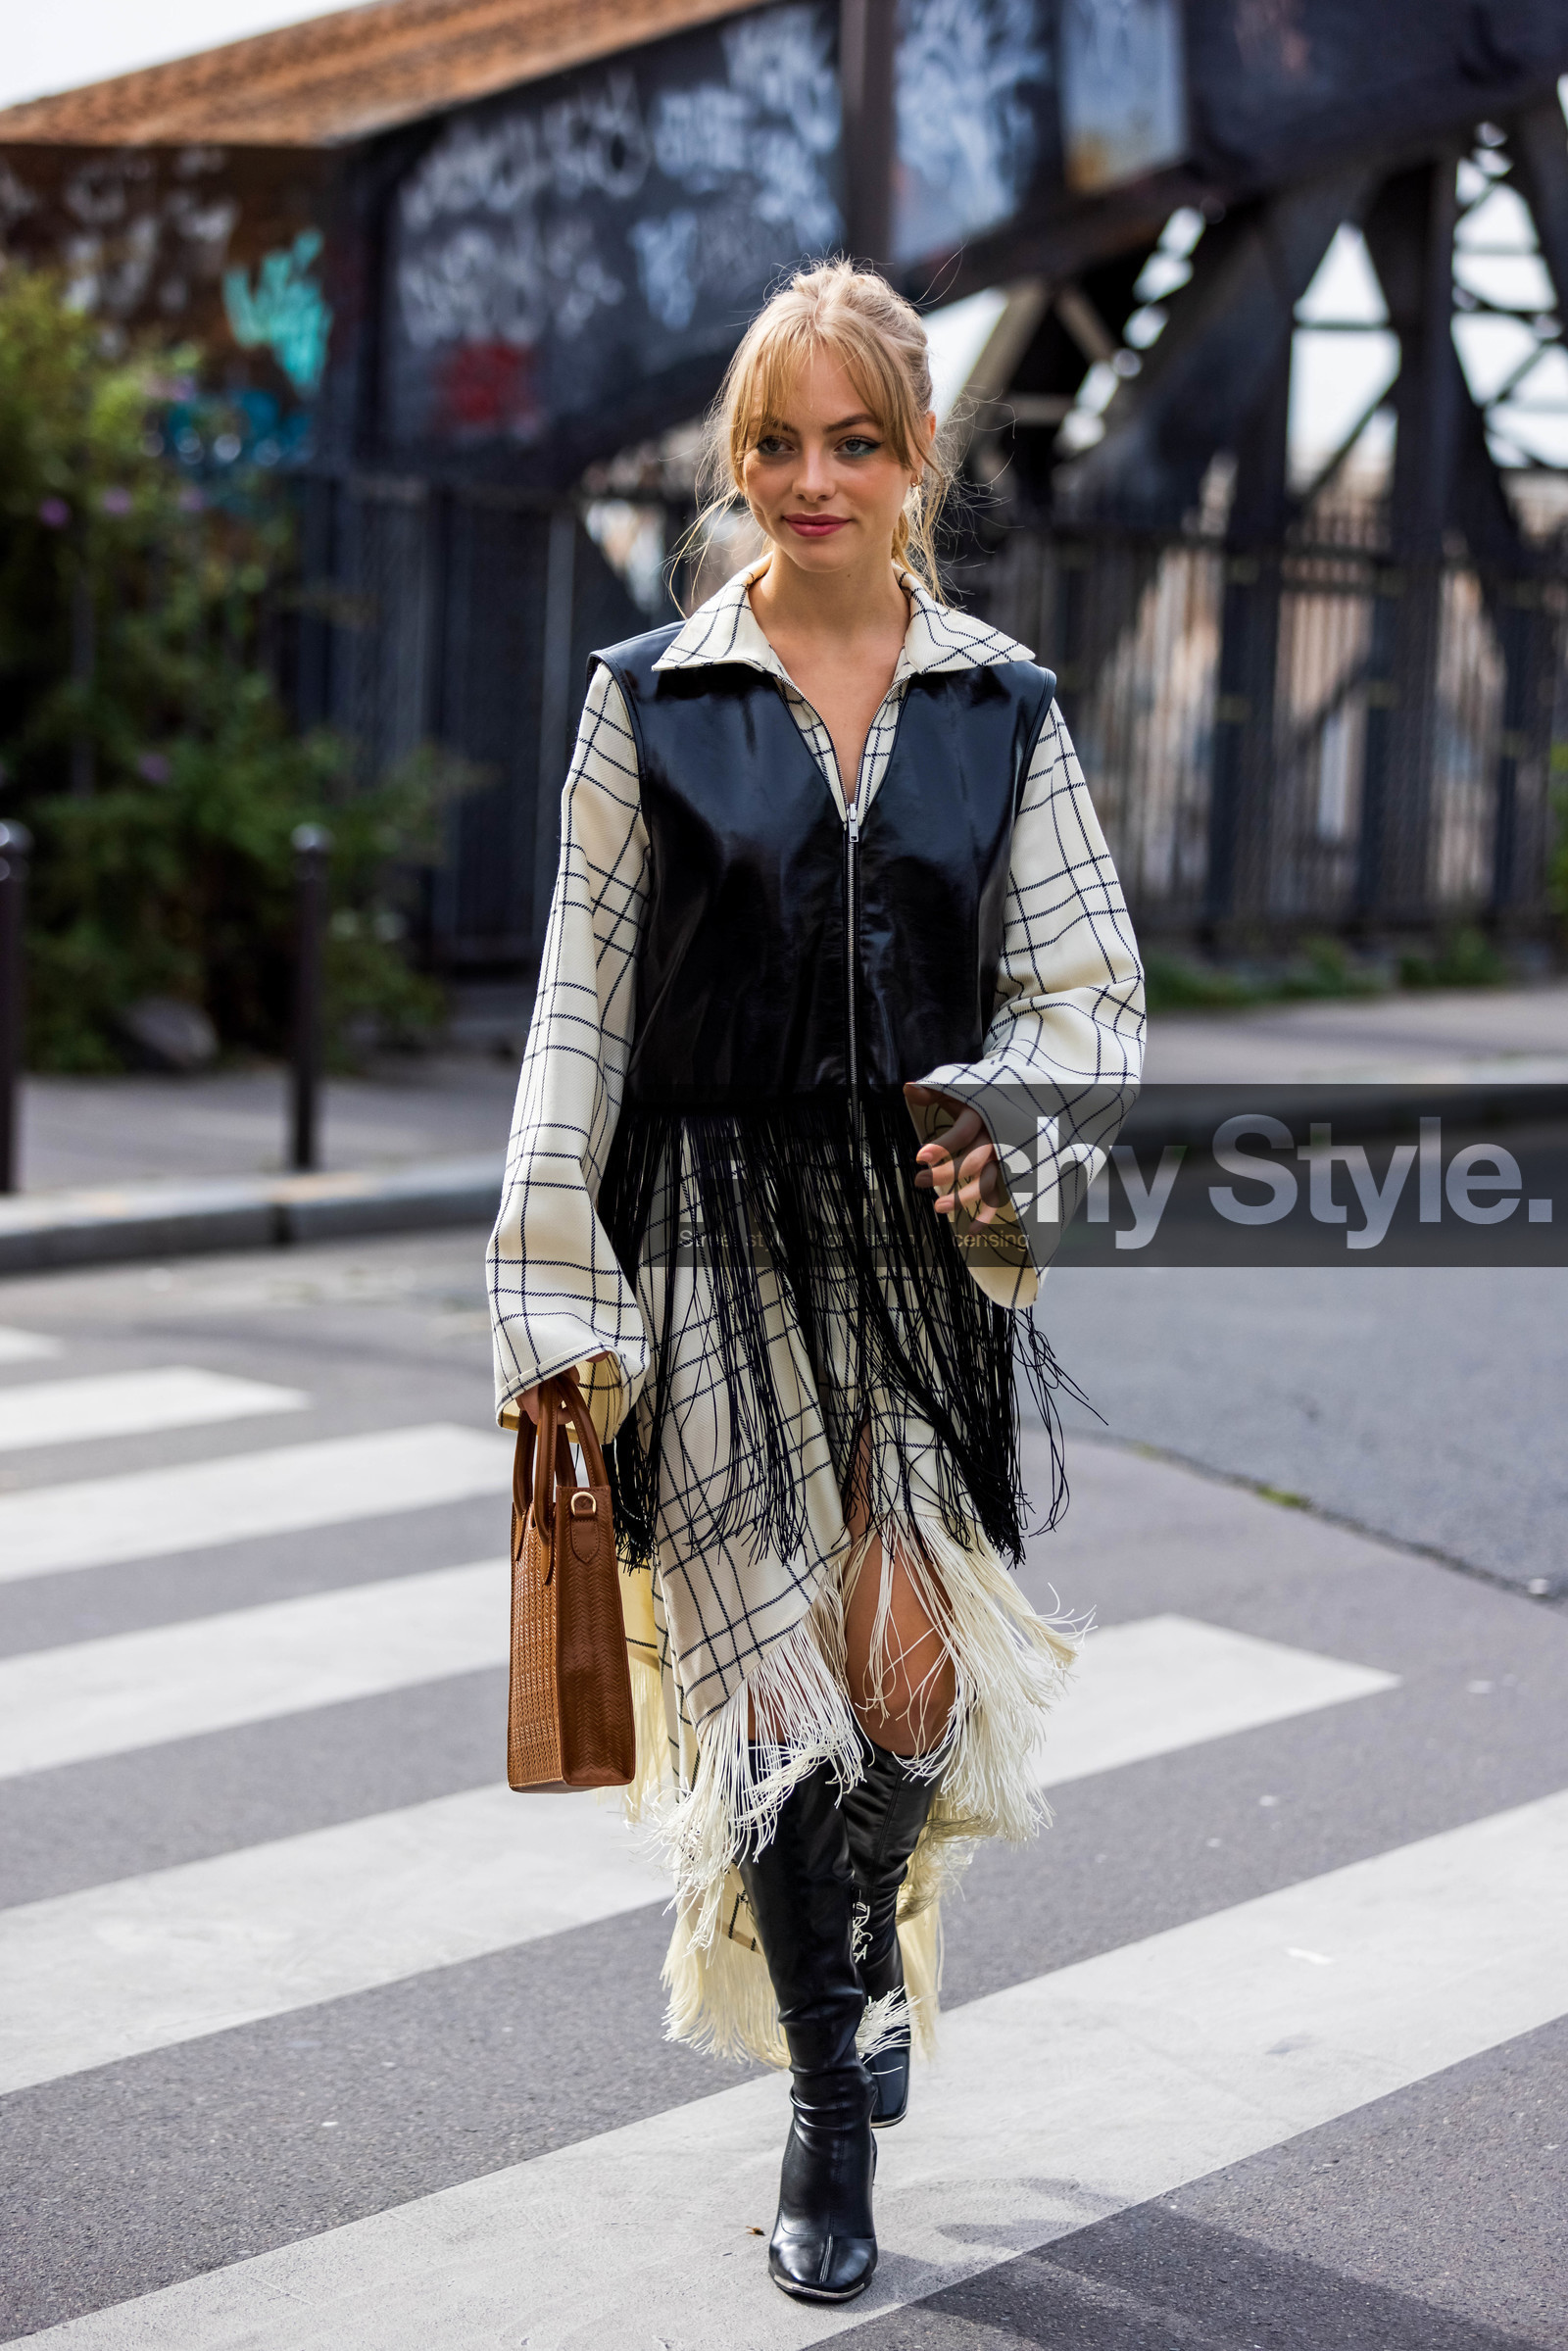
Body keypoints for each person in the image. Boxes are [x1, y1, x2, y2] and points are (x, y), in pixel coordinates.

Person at [487, 258, 1144, 2305]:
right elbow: (578, 1014)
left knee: (912, 1677)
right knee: (778, 1697)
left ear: (920, 456)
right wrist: (549, 1297)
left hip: (915, 1245)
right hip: (701, 1236)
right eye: (774, 442)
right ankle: (827, 2114)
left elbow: (1091, 995)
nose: (810, 478)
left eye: (854, 441)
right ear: (738, 457)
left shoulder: (1002, 706)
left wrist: (1006, 1104)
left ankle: (847, 1954)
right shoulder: (647, 700)